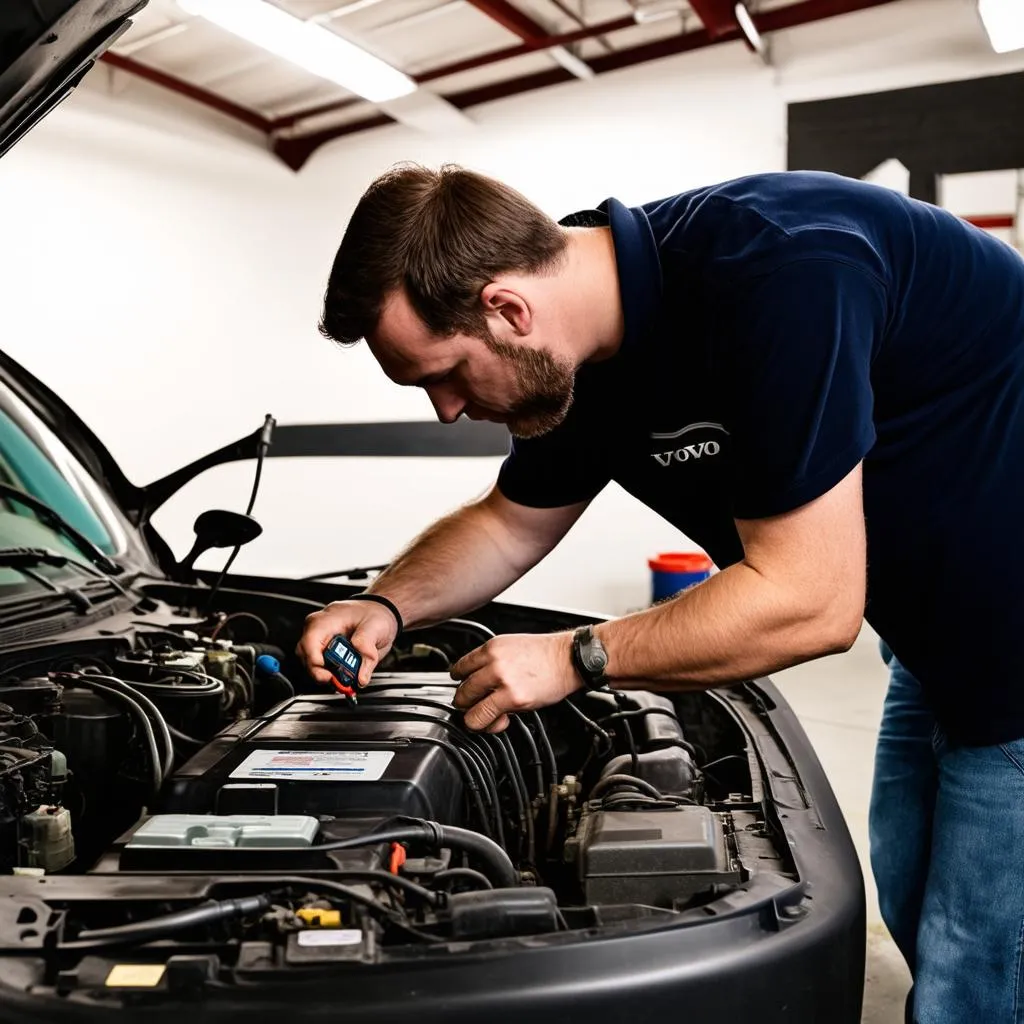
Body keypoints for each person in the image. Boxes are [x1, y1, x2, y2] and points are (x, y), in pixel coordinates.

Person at [296, 163, 1024, 1023]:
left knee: (977, 966)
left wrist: (580, 655)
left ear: (506, 309)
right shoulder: (582, 342)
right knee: (914, 905)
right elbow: (510, 523)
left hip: (1011, 634)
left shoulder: (783, 275)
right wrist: (385, 606)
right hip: (937, 633)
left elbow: (812, 603)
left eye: (443, 375)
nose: (448, 410)